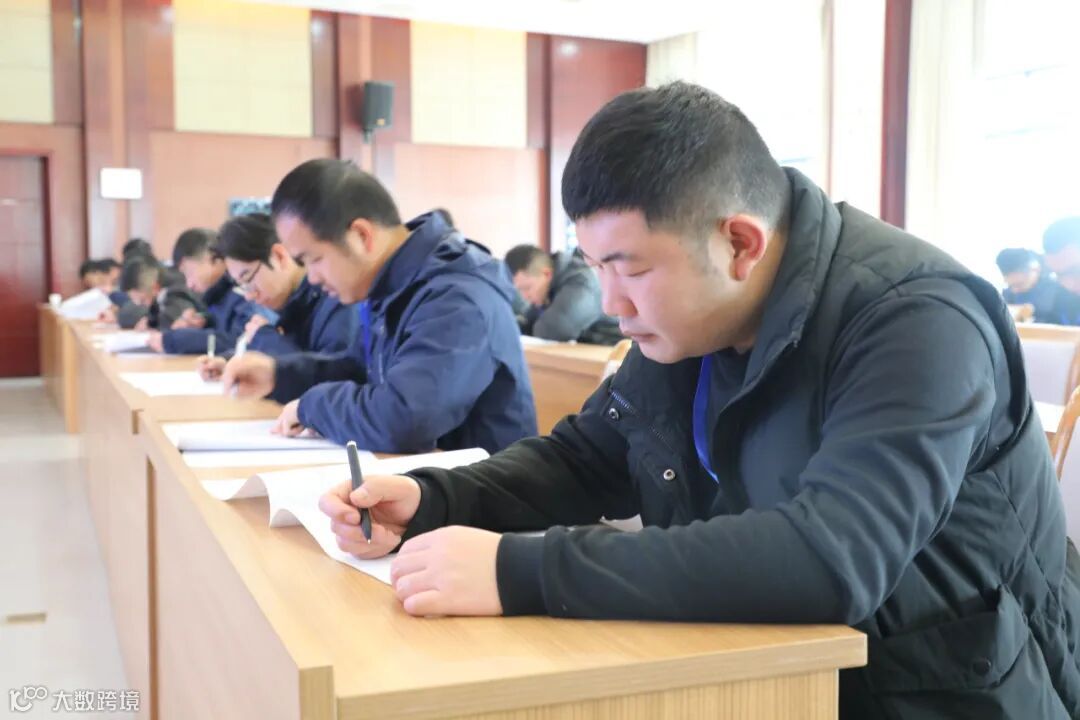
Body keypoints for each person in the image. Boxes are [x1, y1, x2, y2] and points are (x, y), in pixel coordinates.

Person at [318, 82, 1079, 717]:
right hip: (778, 675)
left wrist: (520, 571)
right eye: (594, 267)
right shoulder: (694, 324)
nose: (610, 303)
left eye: (631, 269)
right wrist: (435, 499)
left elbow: (832, 557)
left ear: (740, 243)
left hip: (948, 688)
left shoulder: (916, 318)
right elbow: (589, 458)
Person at [221, 159, 537, 454]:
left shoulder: (456, 298)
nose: (312, 278)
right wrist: (278, 375)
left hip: (485, 491)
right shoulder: (392, 287)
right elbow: (359, 370)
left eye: (313, 259)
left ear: (361, 236)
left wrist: (311, 406)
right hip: (430, 481)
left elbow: (405, 417)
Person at [197, 212, 355, 379]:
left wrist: (265, 338)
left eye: (248, 279)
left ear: (279, 257)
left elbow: (334, 379)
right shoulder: (293, 301)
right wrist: (232, 361)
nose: (250, 295)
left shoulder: (335, 297)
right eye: (242, 286)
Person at [505, 244, 623, 344]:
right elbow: (527, 324)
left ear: (546, 274)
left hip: (614, 353)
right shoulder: (547, 289)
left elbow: (554, 330)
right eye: (520, 290)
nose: (525, 296)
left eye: (527, 288)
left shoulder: (581, 281)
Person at [163, 228, 256, 354]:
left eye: (189, 273)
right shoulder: (217, 297)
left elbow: (237, 342)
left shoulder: (244, 292)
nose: (189, 285)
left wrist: (174, 340)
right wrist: (200, 324)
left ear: (214, 259)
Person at [115, 256, 203, 352]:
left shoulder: (176, 293)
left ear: (155, 288)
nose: (141, 305)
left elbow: (174, 322)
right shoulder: (159, 296)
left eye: (143, 300)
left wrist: (155, 327)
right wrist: (150, 322)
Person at [995, 247, 1080, 325]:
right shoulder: (1007, 295)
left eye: (1020, 284)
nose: (1015, 290)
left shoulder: (1062, 294)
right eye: (1011, 285)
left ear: (1035, 269)